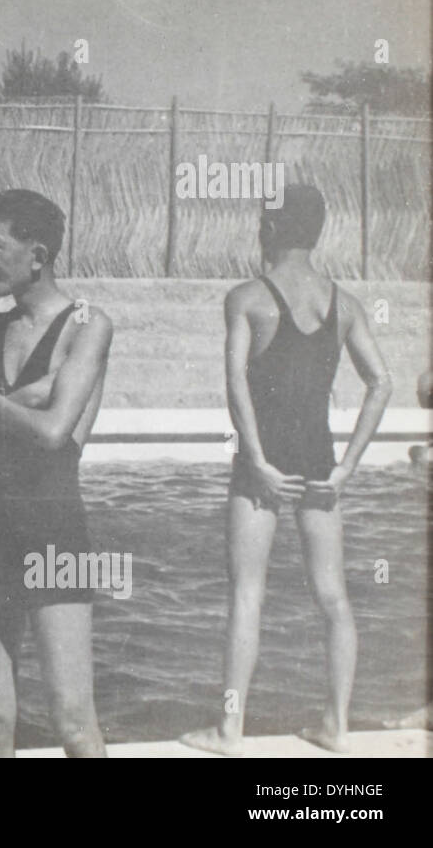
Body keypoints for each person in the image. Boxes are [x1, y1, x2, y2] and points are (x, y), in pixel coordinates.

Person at [181, 184, 391, 756]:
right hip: (321, 464)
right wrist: (347, 467)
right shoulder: (344, 304)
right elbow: (382, 383)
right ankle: (337, 727)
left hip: (263, 466)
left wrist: (255, 459)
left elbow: (236, 384)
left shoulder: (247, 297)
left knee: (247, 593)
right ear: (318, 231)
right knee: (334, 597)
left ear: (268, 230)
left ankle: (229, 730)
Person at [0, 189, 112, 758]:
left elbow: (52, 432)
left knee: (71, 721)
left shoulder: (87, 324)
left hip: (55, 534)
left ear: (36, 255)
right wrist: (29, 395)